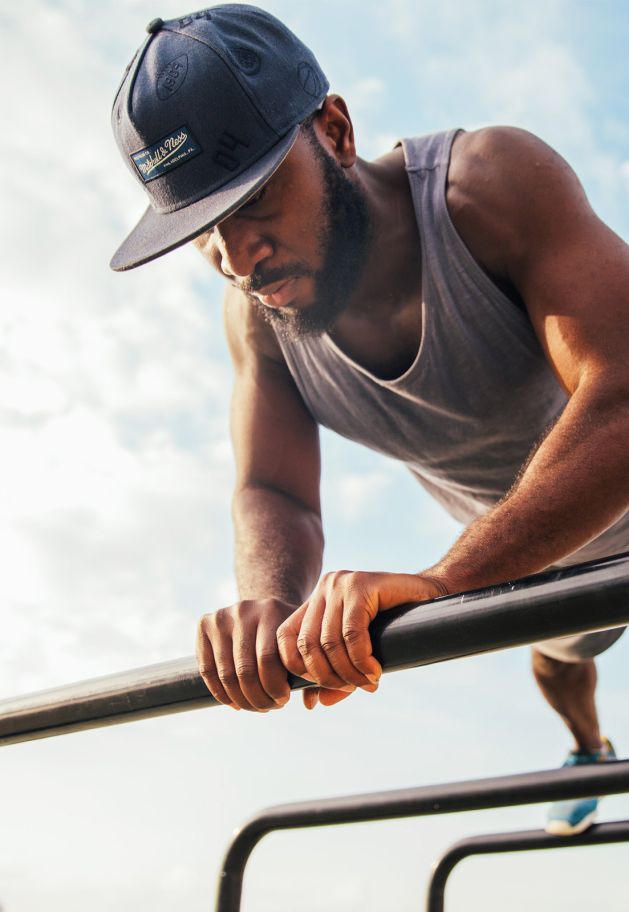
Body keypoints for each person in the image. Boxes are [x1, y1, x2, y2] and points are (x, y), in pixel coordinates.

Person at [110, 5, 628, 836]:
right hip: (530, 557)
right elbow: (274, 487)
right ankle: (588, 748)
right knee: (561, 664)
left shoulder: (487, 185)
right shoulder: (258, 319)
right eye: (205, 228)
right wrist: (269, 604)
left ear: (337, 130)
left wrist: (445, 583)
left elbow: (623, 393)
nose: (238, 259)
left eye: (254, 199)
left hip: (525, 535)